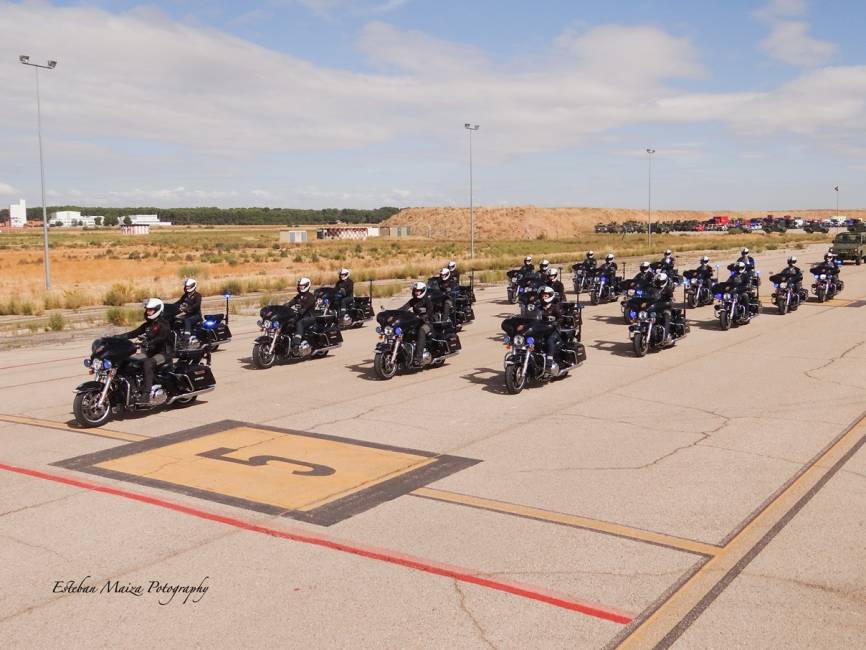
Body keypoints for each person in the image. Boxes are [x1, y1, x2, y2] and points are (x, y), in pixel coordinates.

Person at [121, 298, 171, 405]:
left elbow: (162, 337)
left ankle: (146, 394)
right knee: (127, 362)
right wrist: (117, 337)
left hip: (163, 354)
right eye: (147, 309)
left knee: (147, 363)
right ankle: (133, 391)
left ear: (157, 309)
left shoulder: (164, 324)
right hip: (148, 353)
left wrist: (150, 342)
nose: (148, 312)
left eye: (151, 310)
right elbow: (133, 333)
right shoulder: (148, 325)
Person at [400, 281, 435, 365]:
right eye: (415, 290)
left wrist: (425, 316)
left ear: (423, 291)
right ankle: (404, 354)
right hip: (416, 322)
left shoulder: (427, 300)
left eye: (418, 290)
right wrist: (393, 312)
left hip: (427, 323)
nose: (417, 292)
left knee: (421, 331)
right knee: (404, 331)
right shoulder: (413, 301)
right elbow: (403, 308)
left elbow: (430, 311)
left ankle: (418, 358)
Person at [533, 285, 564, 361]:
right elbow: (531, 317)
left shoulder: (554, 307)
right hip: (540, 329)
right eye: (542, 295)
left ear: (550, 296)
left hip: (553, 330)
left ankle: (550, 358)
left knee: (549, 340)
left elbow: (561, 318)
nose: (543, 297)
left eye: (545, 296)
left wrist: (555, 323)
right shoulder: (538, 308)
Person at [285, 277, 317, 344]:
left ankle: (297, 343)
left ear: (307, 286)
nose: (300, 287)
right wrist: (281, 307)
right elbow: (290, 303)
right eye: (300, 286)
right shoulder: (298, 297)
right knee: (288, 322)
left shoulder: (311, 297)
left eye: (302, 286)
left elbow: (306, 307)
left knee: (299, 323)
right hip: (300, 316)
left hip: (310, 317)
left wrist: (302, 310)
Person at [647, 272, 675, 344]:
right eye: (658, 281)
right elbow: (647, 297)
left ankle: (666, 336)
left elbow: (671, 299)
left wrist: (669, 302)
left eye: (661, 282)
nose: (659, 283)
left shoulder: (668, 289)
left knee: (666, 316)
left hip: (665, 308)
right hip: (654, 308)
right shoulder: (652, 289)